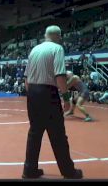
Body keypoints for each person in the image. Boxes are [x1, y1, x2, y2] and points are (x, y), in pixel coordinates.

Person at [23, 25, 82, 179]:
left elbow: (26, 79)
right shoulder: (57, 49)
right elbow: (60, 77)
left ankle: (29, 170)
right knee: (58, 135)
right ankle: (68, 171)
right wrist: (66, 98)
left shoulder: (34, 50)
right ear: (59, 36)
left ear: (45, 35)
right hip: (48, 93)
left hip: (33, 93)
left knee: (34, 133)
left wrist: (33, 96)